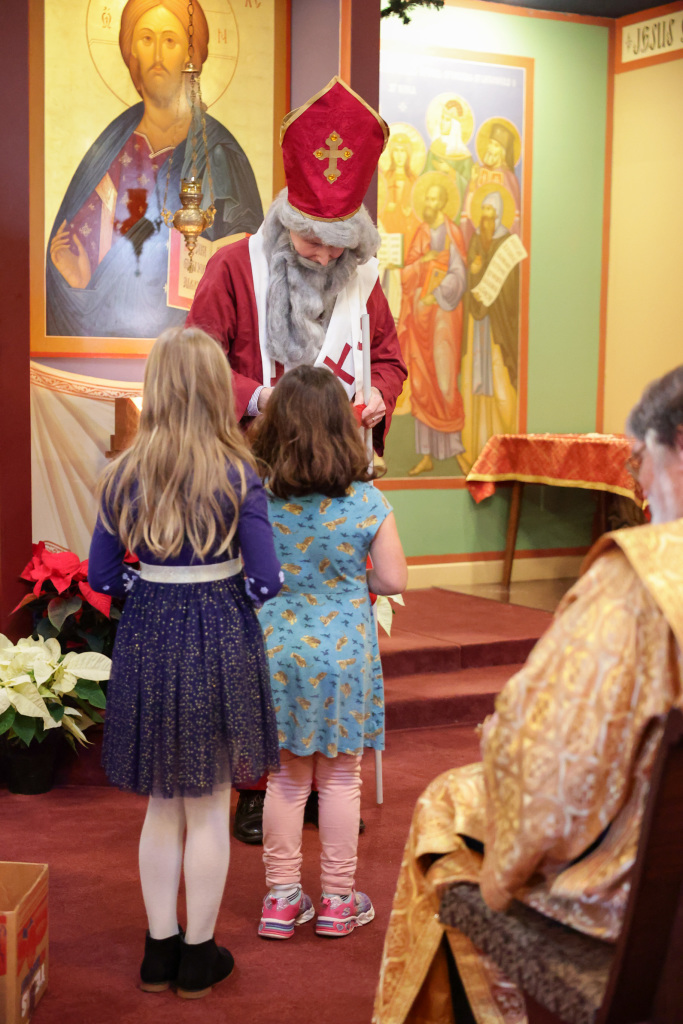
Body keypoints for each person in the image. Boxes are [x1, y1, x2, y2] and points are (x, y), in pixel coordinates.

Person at [373, 363, 683, 1024]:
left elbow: (553, 775)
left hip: (636, 898)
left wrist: (504, 734)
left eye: (639, 461)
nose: (639, 485)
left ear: (677, 447)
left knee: (444, 810)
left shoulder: (638, 579)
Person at [187, 75, 407, 842]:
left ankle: (323, 776)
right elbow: (199, 363)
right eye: (309, 240)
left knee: (333, 633)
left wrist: (378, 394)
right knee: (258, 636)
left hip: (337, 486)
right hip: (254, 480)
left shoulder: (361, 278)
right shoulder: (233, 267)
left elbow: (389, 358)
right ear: (284, 223)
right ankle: (258, 784)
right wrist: (261, 399)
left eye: (335, 244)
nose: (320, 255)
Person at [88, 326, 282, 998]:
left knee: (162, 804)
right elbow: (267, 581)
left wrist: (151, 589)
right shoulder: (239, 473)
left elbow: (101, 576)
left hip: (149, 633)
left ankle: (157, 951)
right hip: (219, 634)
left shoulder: (122, 474)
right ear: (213, 393)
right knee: (208, 804)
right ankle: (198, 957)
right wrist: (223, 594)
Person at [249, 365, 408, 939]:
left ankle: (281, 898)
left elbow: (247, 573)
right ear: (343, 428)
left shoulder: (260, 501)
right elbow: (392, 579)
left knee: (286, 780)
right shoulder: (366, 501)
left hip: (278, 653)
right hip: (344, 654)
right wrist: (348, 584)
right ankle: (339, 900)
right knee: (341, 780)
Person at [47, 0, 263, 338]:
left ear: (191, 57)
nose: (158, 55)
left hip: (196, 342)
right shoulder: (110, 146)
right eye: (147, 39)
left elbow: (251, 256)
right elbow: (72, 269)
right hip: (105, 340)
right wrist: (75, 283)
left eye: (170, 41)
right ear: (131, 51)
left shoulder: (218, 152)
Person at [398, 177, 468, 477]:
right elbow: (406, 275)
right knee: (422, 383)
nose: (430, 204)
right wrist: (422, 262)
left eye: (435, 199)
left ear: (443, 203)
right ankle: (426, 454)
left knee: (445, 381)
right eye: (427, 198)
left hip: (444, 319)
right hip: (420, 319)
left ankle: (455, 449)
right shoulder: (421, 233)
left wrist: (435, 295)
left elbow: (459, 276)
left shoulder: (453, 233)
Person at [460, 189, 522, 469]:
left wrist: (495, 289)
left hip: (497, 326)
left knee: (499, 380)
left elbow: (512, 288)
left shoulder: (508, 243)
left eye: (490, 212)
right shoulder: (476, 239)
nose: (485, 218)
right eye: (482, 212)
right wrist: (474, 271)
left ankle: (504, 448)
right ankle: (476, 446)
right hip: (478, 326)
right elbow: (471, 276)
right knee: (475, 383)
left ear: (498, 215)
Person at [460, 120, 521, 248]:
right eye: (490, 143)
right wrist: (472, 185)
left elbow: (514, 217)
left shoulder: (509, 178)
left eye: (496, 145)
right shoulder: (478, 172)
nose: (490, 148)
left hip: (500, 239)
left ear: (503, 152)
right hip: (478, 236)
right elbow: (468, 210)